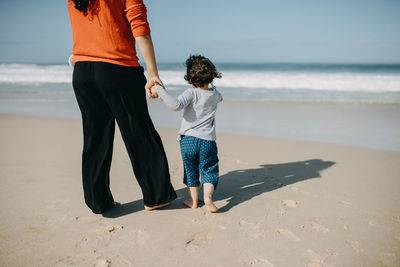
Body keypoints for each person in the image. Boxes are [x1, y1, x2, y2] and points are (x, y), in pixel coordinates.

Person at [67, 0, 177, 214]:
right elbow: (140, 30)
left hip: (82, 72)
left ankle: (98, 202)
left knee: (95, 137)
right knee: (139, 132)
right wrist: (153, 74)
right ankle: (156, 197)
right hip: (118, 68)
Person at [151, 55, 223, 212]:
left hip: (188, 140)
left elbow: (175, 105)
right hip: (208, 141)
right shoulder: (215, 94)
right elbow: (220, 98)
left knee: (190, 169)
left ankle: (194, 201)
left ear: (190, 77)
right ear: (211, 75)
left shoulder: (191, 93)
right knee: (209, 169)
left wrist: (159, 90)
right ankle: (208, 199)